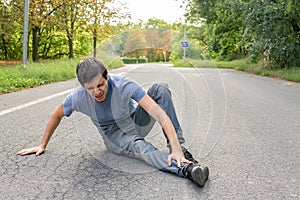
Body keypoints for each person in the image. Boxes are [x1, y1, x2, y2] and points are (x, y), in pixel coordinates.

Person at [17, 57, 209, 187]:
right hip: (116, 137)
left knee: (160, 88)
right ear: (83, 86)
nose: (97, 91)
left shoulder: (124, 85)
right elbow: (56, 115)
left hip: (135, 121)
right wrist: (42, 144)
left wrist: (175, 147)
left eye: (100, 84)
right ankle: (186, 168)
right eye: (90, 88)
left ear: (107, 76)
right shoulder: (77, 98)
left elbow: (158, 113)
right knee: (142, 147)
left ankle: (180, 153)